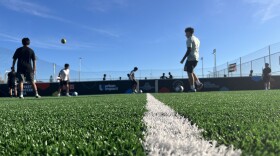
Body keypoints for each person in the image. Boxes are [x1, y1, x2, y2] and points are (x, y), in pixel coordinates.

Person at [180, 27, 203, 92]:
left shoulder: (189, 39)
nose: (185, 35)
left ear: (189, 32)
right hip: (196, 58)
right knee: (190, 70)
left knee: (189, 73)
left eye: (186, 33)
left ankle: (192, 88)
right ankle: (199, 83)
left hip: (191, 58)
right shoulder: (197, 39)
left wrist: (183, 59)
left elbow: (189, 50)